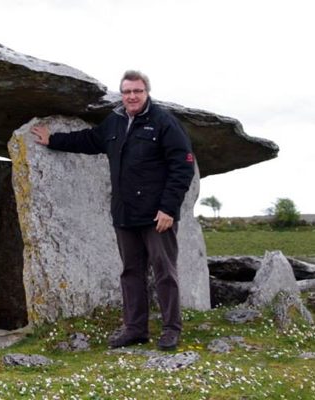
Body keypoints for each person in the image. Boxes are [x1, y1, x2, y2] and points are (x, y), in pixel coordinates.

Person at [31, 70, 195, 350]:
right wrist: (53, 140)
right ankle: (135, 329)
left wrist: (168, 207)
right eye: (127, 91)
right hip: (124, 213)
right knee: (131, 272)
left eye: (137, 91)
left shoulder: (163, 122)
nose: (132, 96)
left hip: (157, 216)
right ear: (122, 94)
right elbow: (90, 140)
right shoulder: (115, 122)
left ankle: (171, 329)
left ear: (147, 93)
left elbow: (183, 165)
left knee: (164, 271)